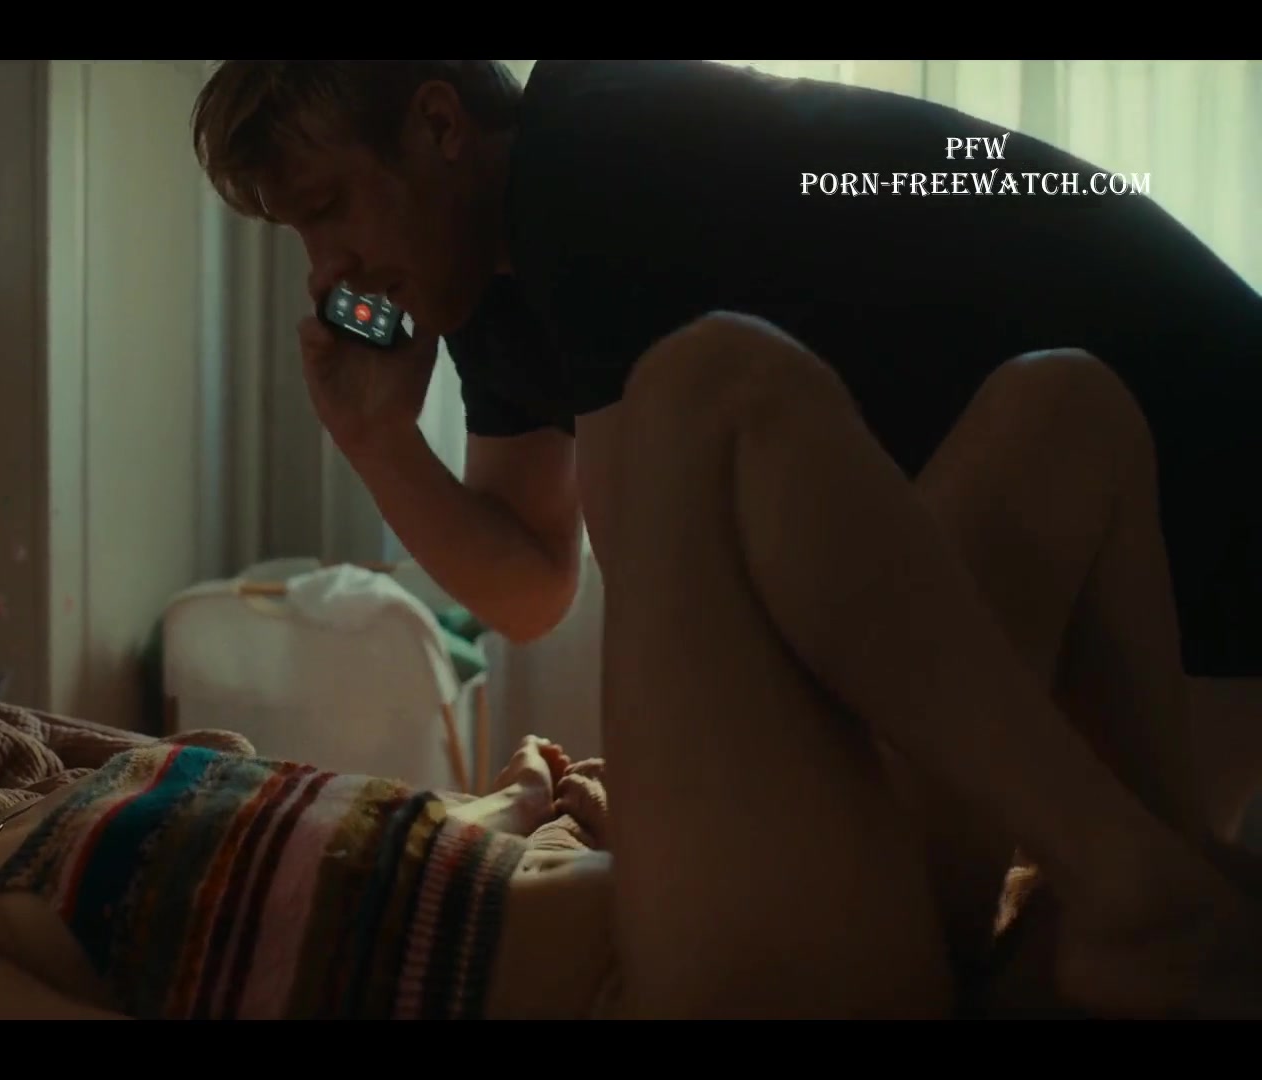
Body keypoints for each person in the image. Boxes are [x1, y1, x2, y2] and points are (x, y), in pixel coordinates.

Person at [0, 343, 1262, 1019]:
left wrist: (515, 813)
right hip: (659, 989)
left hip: (695, 902)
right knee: (690, 404)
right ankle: (1137, 883)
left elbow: (326, 896)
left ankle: (1134, 903)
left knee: (1064, 413)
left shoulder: (38, 801)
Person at [188, 60, 1262, 837]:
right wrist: (377, 440)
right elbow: (532, 587)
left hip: (1198, 454)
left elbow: (670, 618)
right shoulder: (497, 284)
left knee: (1035, 924)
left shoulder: (589, 157)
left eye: (328, 208)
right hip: (1067, 489)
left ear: (438, 125)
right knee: (1024, 917)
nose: (325, 269)